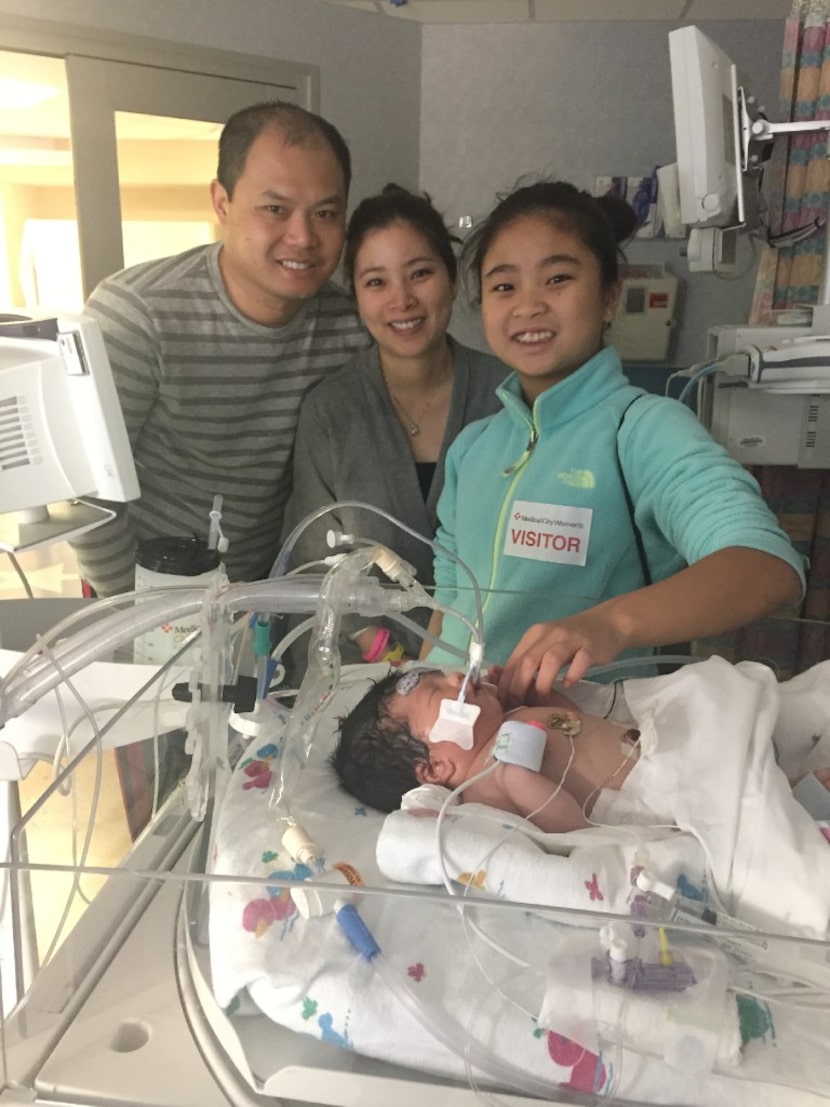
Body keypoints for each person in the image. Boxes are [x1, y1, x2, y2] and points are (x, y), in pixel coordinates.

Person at [420, 180, 806, 704]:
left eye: (557, 278)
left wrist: (608, 625)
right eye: (504, 286)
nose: (529, 305)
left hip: (591, 745)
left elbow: (766, 567)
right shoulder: (473, 448)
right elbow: (449, 608)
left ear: (609, 296)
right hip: (459, 742)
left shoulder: (643, 431)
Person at [71, 101, 371, 597]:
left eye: (326, 213)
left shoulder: (350, 327)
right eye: (275, 209)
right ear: (222, 203)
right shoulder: (138, 315)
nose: (303, 237)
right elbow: (87, 497)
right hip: (142, 590)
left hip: (269, 594)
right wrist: (133, 609)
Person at [279, 184, 507, 664]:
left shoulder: (507, 396)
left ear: (453, 280)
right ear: (357, 297)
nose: (402, 300)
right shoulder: (332, 410)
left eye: (420, 274)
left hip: (496, 663)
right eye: (376, 282)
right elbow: (313, 565)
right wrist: (393, 660)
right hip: (368, 671)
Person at [332, 665, 830, 833]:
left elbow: (579, 724)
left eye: (447, 672)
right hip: (655, 792)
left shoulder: (510, 721)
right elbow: (569, 829)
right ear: (436, 767)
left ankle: (796, 749)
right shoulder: (488, 785)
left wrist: (546, 701)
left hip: (659, 750)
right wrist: (515, 778)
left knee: (747, 724)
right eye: (444, 692)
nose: (461, 676)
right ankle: (807, 800)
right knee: (754, 807)